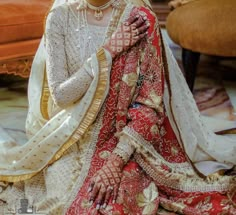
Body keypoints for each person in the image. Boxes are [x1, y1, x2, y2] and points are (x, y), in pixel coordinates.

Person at [0, 0, 235, 214]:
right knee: (61, 203)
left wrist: (114, 163)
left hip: (126, 141)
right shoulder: (60, 16)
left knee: (112, 204)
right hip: (72, 136)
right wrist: (108, 52)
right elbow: (61, 95)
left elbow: (149, 105)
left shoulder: (140, 19)